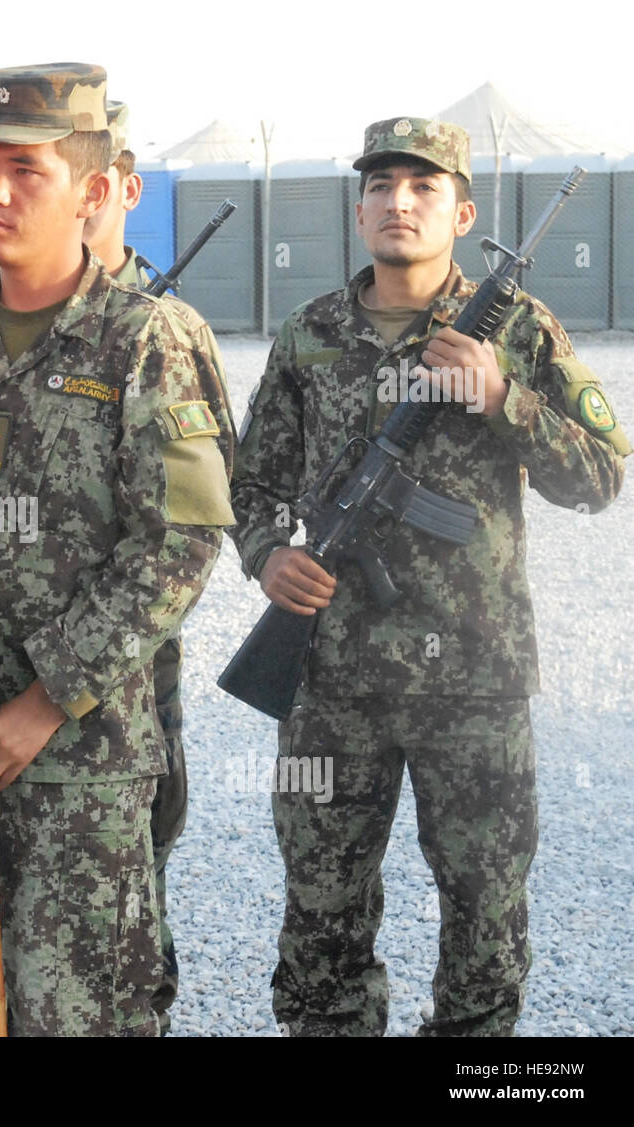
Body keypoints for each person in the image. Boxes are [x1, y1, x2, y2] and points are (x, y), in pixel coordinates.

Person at [228, 117, 629, 1036]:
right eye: (382, 185)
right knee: (322, 920)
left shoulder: (518, 331)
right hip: (330, 681)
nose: (399, 202)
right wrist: (269, 556)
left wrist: (501, 398)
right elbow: (249, 483)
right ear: (359, 206)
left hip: (475, 687)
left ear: (463, 212)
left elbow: (604, 474)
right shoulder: (310, 335)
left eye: (423, 186)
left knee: (486, 923)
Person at [0, 63, 234, 1036]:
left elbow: (181, 544)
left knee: (77, 1016)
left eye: (23, 171)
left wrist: (41, 704)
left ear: (91, 189)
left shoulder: (143, 341)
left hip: (81, 769)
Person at [82, 98, 236, 1034]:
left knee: (135, 894)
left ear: (120, 187)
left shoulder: (165, 328)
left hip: (134, 684)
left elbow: (211, 508)